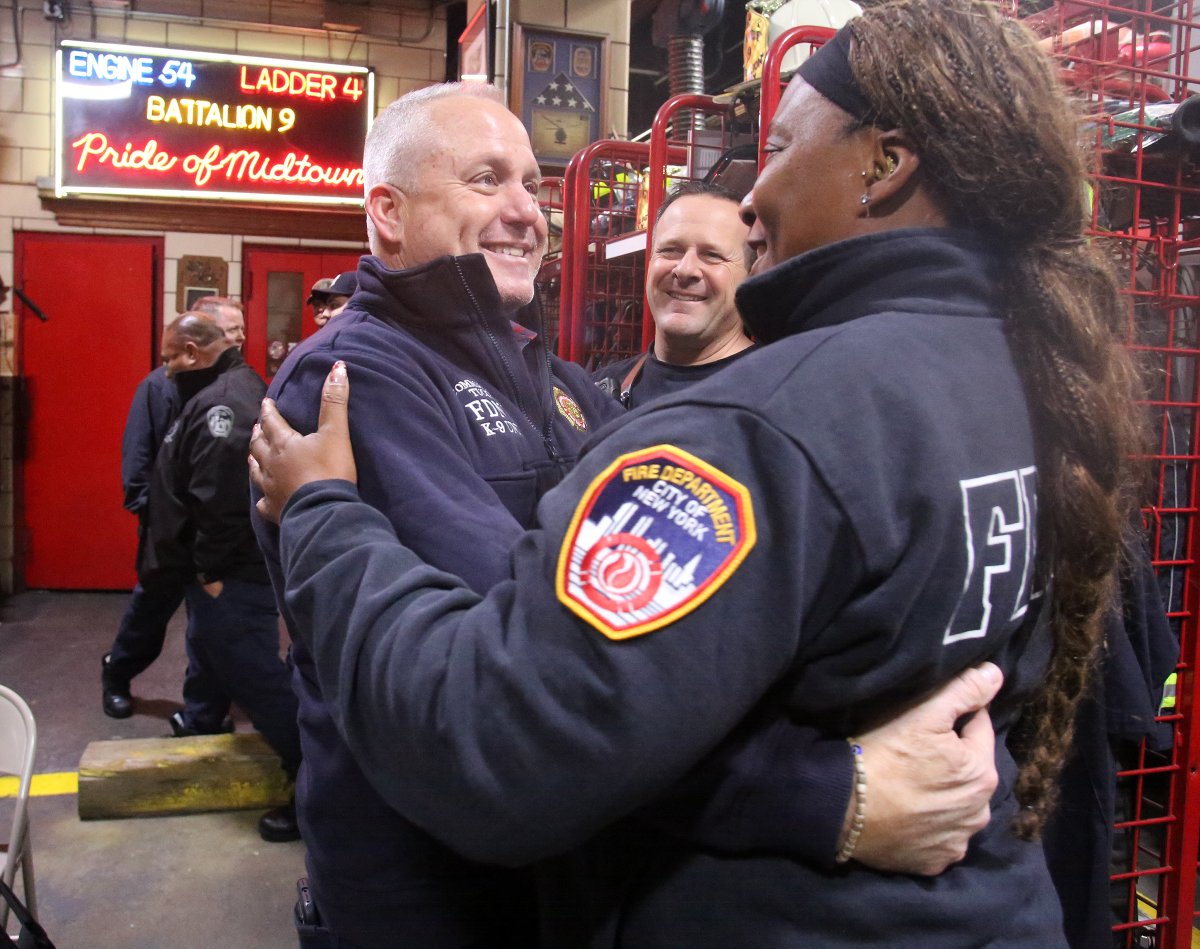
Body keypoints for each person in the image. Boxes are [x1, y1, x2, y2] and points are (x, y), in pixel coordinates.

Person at [251, 1, 1146, 944]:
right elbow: (549, 698)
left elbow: (558, 700)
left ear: (883, 164)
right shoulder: (1029, 370)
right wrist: (825, 788)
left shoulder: (742, 413)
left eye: (783, 146)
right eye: (485, 180)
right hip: (439, 896)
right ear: (387, 211)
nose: (751, 198)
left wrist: (323, 515)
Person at [147, 312, 302, 843]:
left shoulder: (221, 401)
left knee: (257, 679)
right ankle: (203, 721)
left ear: (192, 350)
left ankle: (310, 787)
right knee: (212, 652)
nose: (165, 370)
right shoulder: (224, 387)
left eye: (170, 356)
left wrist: (210, 572)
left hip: (229, 572)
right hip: (214, 571)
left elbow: (222, 501)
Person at [594, 182, 754, 408]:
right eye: (670, 250)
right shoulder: (596, 396)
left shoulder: (782, 396)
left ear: (751, 275)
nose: (685, 269)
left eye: (711, 255)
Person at [101, 360, 182, 718]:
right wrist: (147, 510)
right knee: (151, 610)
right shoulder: (157, 387)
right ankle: (117, 673)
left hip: (209, 526)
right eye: (230, 332)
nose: (238, 340)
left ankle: (203, 703)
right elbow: (138, 453)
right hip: (166, 526)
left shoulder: (228, 386)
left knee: (213, 619)